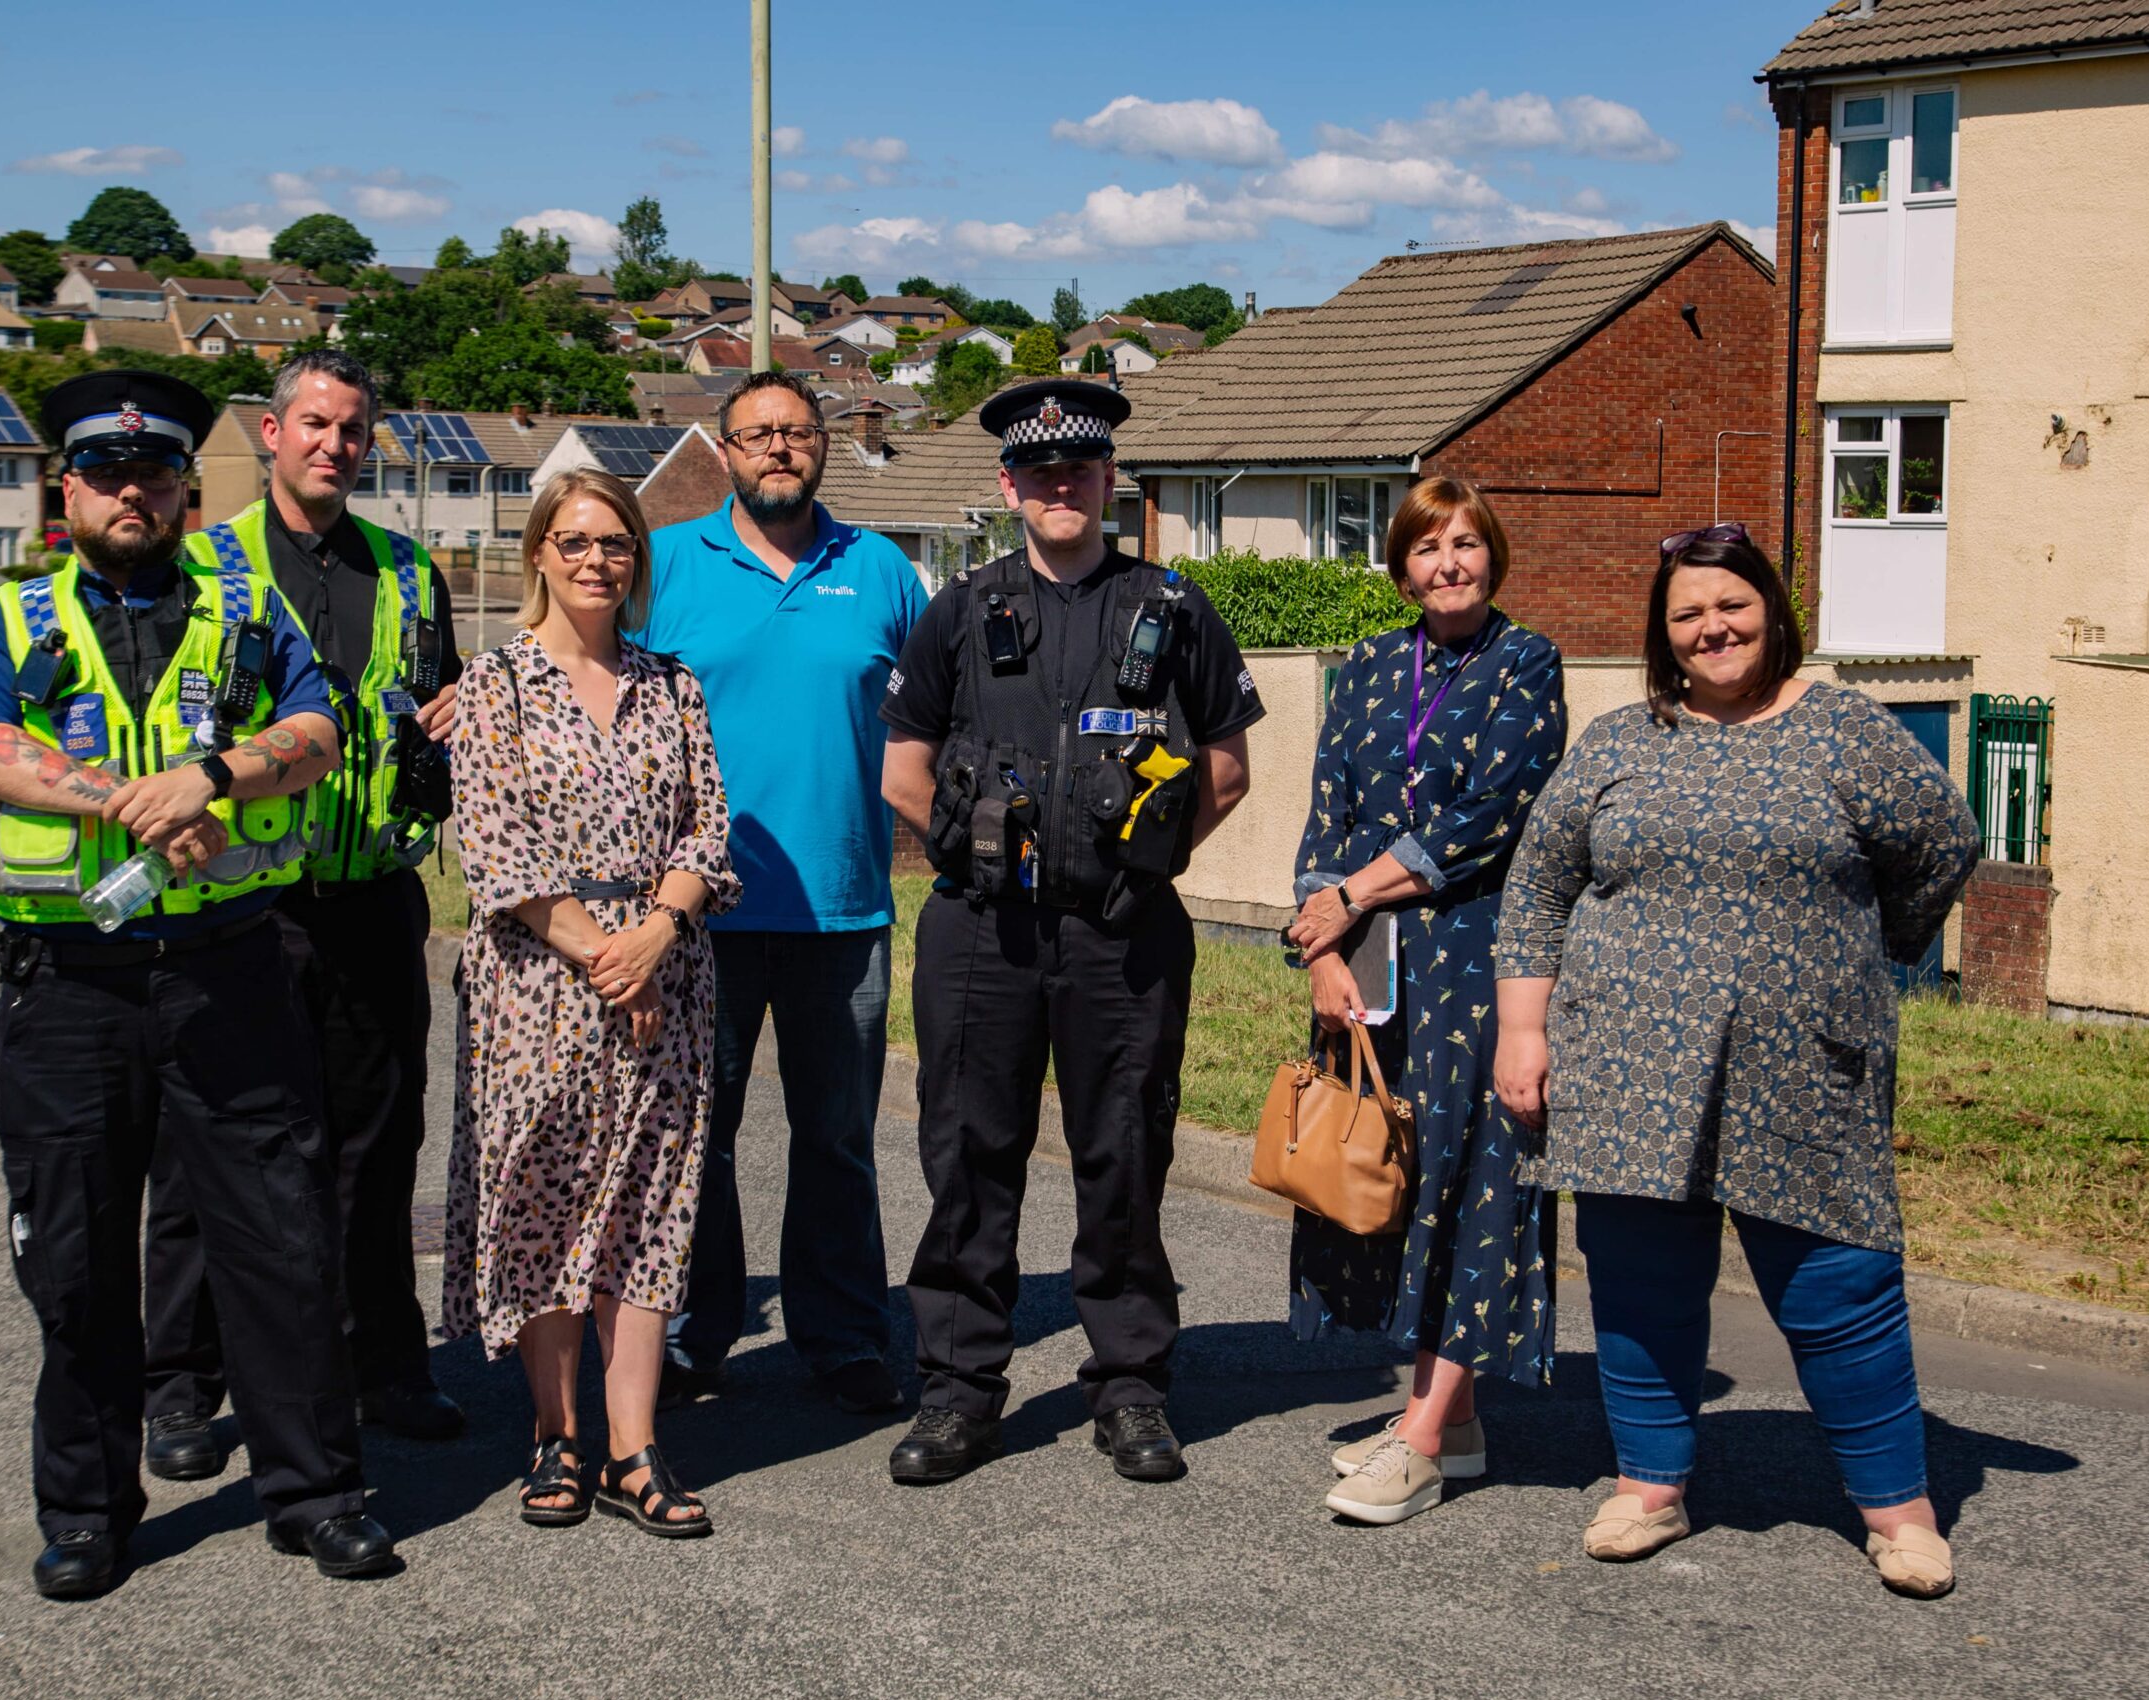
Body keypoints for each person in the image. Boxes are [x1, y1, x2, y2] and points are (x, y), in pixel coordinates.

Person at [0, 370, 394, 1598]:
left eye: (154, 475)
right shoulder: (13, 616)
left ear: (188, 488)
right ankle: (88, 1509)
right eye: (106, 474)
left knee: (282, 1238)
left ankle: (316, 1492)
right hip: (68, 988)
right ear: (66, 489)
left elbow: (315, 736)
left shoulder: (244, 610)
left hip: (229, 968)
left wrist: (212, 773)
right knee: (75, 1256)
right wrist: (132, 804)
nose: (131, 492)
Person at [1492, 525, 1979, 1598]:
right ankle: (1648, 1486)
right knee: (1639, 1280)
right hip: (1623, 1060)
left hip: (1804, 1063)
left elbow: (1942, 847)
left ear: (1771, 609)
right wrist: (1522, 1032)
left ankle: (1898, 1512)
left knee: (1838, 1284)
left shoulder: (1847, 732)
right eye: (1686, 614)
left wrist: (1854, 959)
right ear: (1663, 636)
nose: (1712, 627)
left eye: (1731, 605)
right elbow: (1536, 889)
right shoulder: (1620, 742)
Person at [879, 377, 1263, 1486]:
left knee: (1125, 1155)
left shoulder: (1174, 608)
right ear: (1009, 485)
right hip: (981, 933)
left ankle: (1132, 1387)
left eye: (1080, 471)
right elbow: (903, 766)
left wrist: (1139, 860)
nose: (1060, 486)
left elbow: (1227, 769)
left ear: (1108, 482)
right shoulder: (960, 609)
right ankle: (958, 1395)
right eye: (1040, 473)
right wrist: (970, 849)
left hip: (1121, 934)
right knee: (966, 1159)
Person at [139, 349, 467, 1480]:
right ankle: (181, 1385)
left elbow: (442, 715)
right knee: (211, 1150)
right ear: (270, 434)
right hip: (242, 905)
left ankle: (385, 1362)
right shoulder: (199, 564)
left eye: (354, 429)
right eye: (315, 424)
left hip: (372, 898)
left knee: (380, 1149)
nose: (336, 444)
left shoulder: (410, 571)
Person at [442, 468, 739, 1538]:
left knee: (650, 1209)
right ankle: (556, 1436)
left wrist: (656, 934)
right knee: (550, 1205)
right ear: (538, 554)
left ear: (636, 561)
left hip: (667, 975)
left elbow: (709, 829)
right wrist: (602, 954)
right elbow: (494, 846)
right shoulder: (497, 685)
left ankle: (634, 1448)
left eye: (614, 543)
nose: (595, 560)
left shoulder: (674, 685)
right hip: (540, 984)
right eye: (573, 541)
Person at [639, 371, 927, 1417]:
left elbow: (936, 719)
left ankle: (844, 1336)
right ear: (723, 452)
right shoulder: (664, 563)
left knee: (838, 1137)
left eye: (796, 433)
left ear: (824, 447)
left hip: (842, 912)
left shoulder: (884, 570)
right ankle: (690, 1333)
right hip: (691, 914)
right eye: (757, 434)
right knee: (689, 1137)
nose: (778, 449)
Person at [1282, 477, 1568, 1526]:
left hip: (1482, 961)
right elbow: (1327, 813)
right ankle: (1454, 1422)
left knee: (1474, 1179)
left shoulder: (1525, 664)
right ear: (1399, 567)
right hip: (1369, 965)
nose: (1448, 564)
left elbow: (1487, 819)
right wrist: (1321, 948)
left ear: (1492, 557)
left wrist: (1352, 893)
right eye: (1426, 549)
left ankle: (1420, 1434)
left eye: (1466, 545)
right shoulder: (1362, 668)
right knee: (1396, 1172)